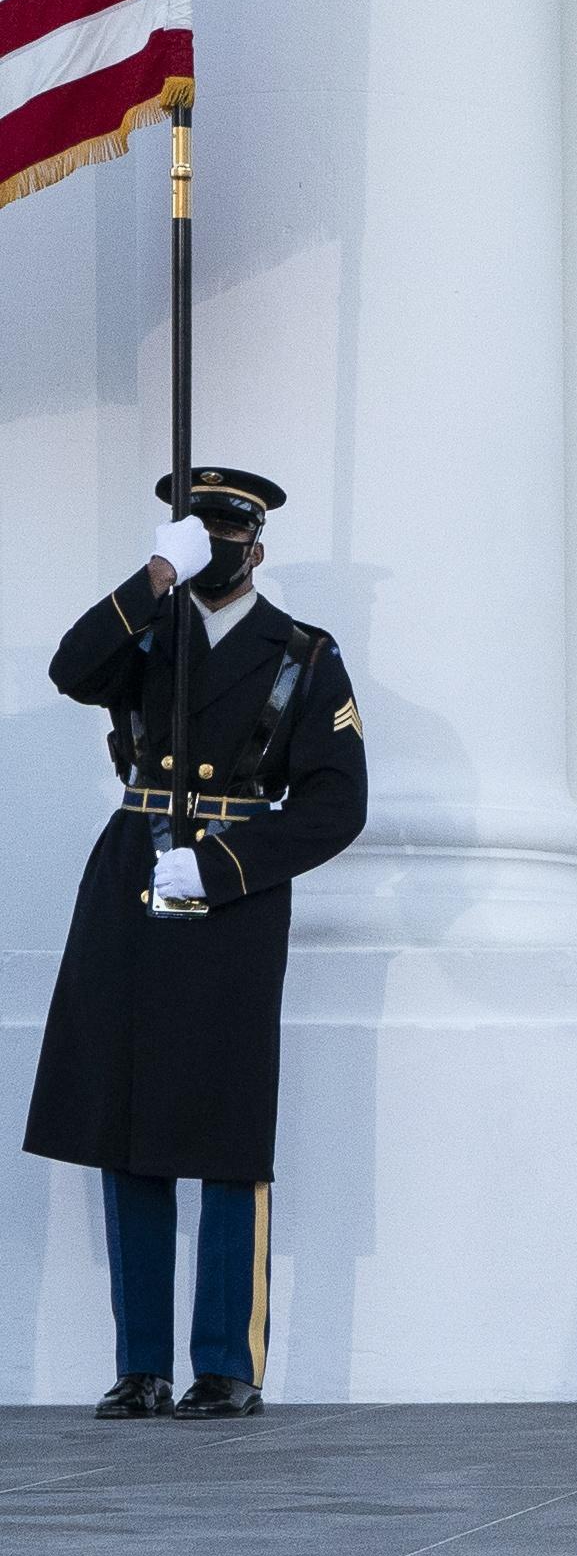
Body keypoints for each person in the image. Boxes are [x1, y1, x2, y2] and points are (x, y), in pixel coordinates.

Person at [25, 468, 368, 1420]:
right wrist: (150, 579)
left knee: (223, 1123)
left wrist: (222, 868)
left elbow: (339, 803)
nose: (214, 551)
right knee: (124, 1121)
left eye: (226, 537)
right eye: (197, 535)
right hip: (133, 874)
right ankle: (142, 1363)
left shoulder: (302, 652)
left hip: (230, 891)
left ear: (257, 547)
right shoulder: (147, 631)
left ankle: (225, 1363)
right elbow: (68, 668)